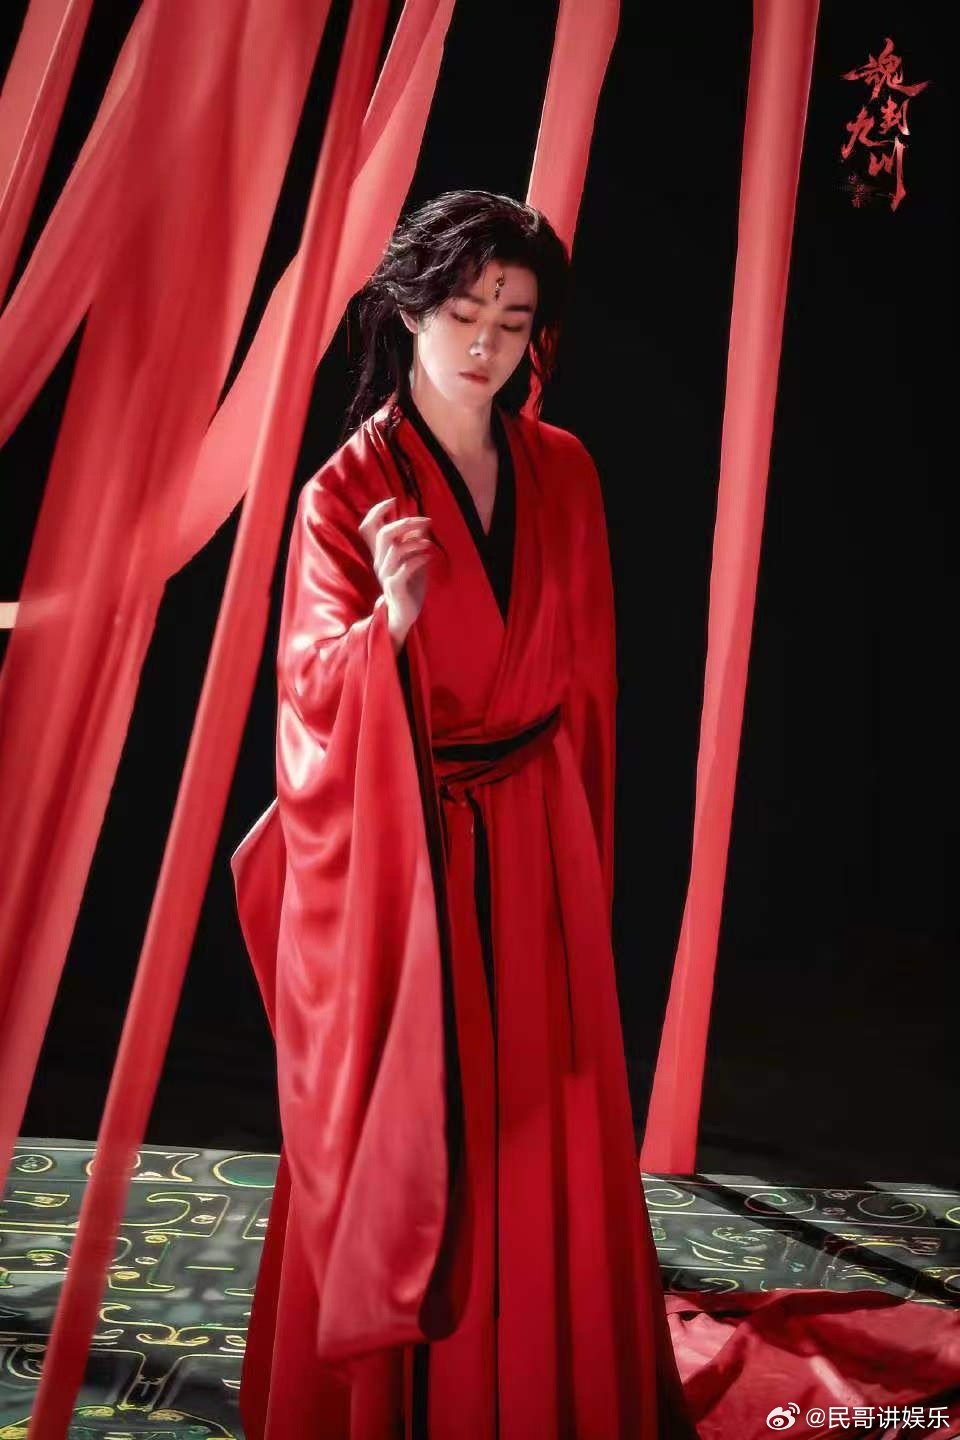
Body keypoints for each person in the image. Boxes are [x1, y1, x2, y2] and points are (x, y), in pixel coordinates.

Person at [230, 189, 699, 1439]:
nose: (486, 342)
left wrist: (581, 849)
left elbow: (589, 684)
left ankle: (550, 1385)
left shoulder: (565, 469)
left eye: (515, 318)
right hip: (412, 847)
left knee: (549, 1120)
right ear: (407, 308)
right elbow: (305, 696)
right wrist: (387, 624)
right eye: (462, 310)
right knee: (418, 1134)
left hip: (538, 832)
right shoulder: (345, 493)